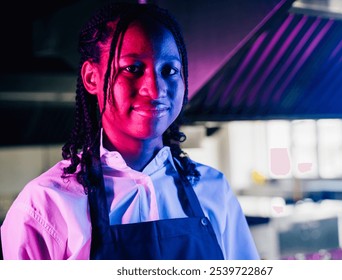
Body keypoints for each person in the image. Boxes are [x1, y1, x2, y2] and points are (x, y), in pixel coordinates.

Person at [0, 2, 259, 260]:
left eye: (169, 70)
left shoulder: (213, 190)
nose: (155, 90)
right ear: (92, 78)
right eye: (132, 69)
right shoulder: (46, 205)